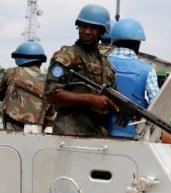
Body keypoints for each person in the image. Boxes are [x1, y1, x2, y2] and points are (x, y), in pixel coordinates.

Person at [45, 4, 118, 136]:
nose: (87, 31)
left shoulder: (107, 66)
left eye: (93, 28)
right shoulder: (66, 56)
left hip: (97, 134)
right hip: (69, 133)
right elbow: (51, 94)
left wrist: (123, 109)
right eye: (83, 26)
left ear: (102, 31)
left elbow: (112, 99)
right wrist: (89, 99)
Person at [106, 18, 160, 138]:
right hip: (132, 133)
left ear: (113, 41)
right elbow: (156, 104)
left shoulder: (101, 62)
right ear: (138, 43)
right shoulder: (147, 69)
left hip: (100, 130)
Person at [0, 42, 52, 131]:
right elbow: (51, 114)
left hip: (12, 125)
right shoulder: (49, 82)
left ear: (19, 58)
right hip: (38, 128)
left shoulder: (12, 73)